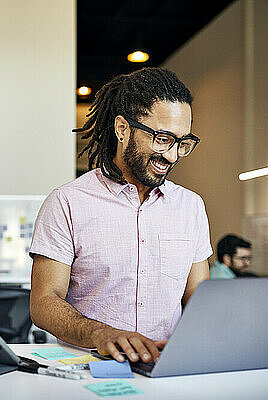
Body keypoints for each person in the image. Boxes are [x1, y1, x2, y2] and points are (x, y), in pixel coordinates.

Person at [29, 67, 212, 365]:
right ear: (122, 129)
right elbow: (43, 303)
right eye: (163, 138)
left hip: (166, 367)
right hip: (89, 369)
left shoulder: (190, 206)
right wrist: (100, 333)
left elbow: (199, 297)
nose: (172, 155)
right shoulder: (67, 202)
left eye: (182, 143)